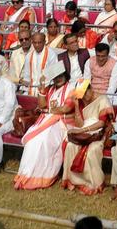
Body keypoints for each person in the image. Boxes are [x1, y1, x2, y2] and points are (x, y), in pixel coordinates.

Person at [14, 61, 76, 190]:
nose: (58, 79)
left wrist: (48, 111)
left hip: (63, 124)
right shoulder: (51, 89)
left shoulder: (71, 88)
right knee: (33, 141)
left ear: (66, 75)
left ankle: (43, 177)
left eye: (60, 76)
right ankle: (26, 174)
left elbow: (65, 109)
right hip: (46, 121)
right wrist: (42, 88)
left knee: (43, 140)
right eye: (55, 77)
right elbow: (42, 105)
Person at [61, 80, 115, 194]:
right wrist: (76, 106)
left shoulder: (102, 99)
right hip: (84, 133)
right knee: (70, 146)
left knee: (92, 151)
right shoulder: (80, 101)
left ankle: (93, 183)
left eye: (86, 93)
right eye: (81, 95)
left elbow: (102, 123)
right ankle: (74, 181)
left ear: (91, 89)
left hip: (99, 134)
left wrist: (82, 130)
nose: (84, 98)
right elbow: (79, 124)